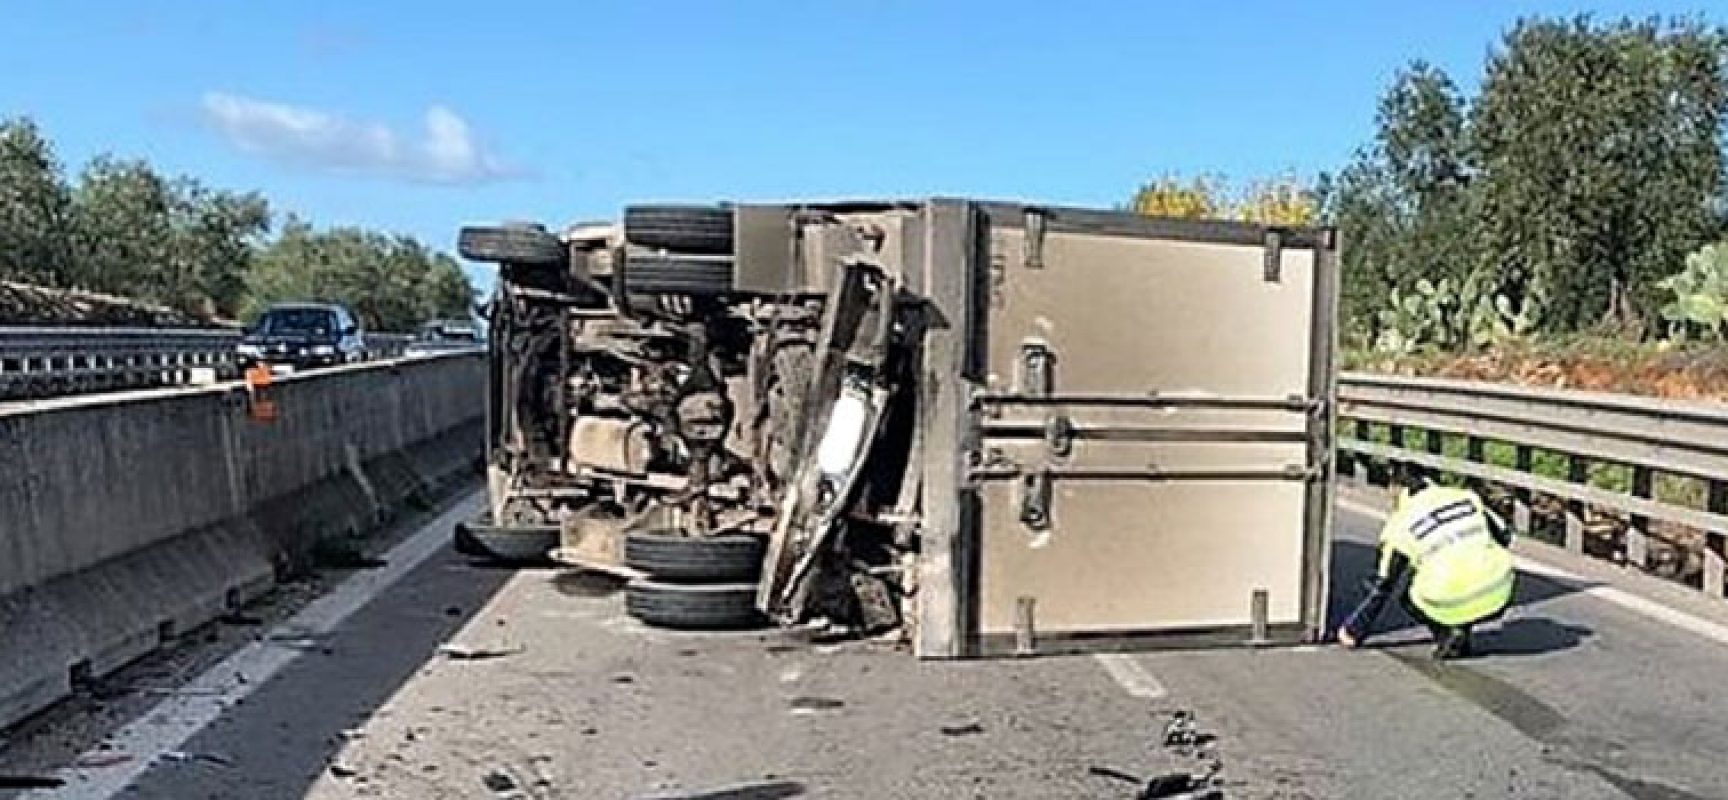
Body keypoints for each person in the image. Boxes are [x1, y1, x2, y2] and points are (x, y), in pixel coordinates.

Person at [1337, 461, 1516, 659]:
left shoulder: (1398, 526)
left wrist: (1353, 630)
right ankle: (1462, 627)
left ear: (1399, 489)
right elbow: (1505, 535)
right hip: (1500, 590)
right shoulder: (1465, 497)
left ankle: (1447, 632)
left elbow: (1381, 586)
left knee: (1410, 595)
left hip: (1451, 596)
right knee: (1467, 571)